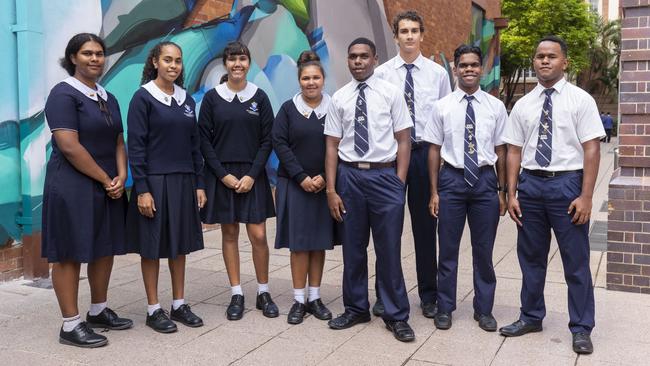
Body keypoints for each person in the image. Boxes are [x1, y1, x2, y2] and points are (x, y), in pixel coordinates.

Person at [500, 35, 604, 355]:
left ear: (564, 62)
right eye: (540, 56)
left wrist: (586, 197)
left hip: (567, 186)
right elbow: (513, 151)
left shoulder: (581, 100)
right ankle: (531, 316)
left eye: (552, 56)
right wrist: (511, 192)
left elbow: (591, 148)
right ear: (534, 61)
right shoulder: (524, 104)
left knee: (576, 261)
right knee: (531, 259)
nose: (545, 61)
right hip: (530, 187)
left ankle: (581, 327)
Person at [42, 33, 132, 348]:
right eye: (87, 53)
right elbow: (69, 146)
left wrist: (121, 175)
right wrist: (105, 179)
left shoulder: (108, 97)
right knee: (69, 253)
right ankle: (70, 324)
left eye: (99, 53)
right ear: (73, 59)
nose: (95, 59)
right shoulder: (63, 94)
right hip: (73, 185)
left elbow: (118, 141)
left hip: (108, 184)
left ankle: (98, 310)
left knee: (103, 247)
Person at [324, 37, 415, 342]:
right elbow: (332, 146)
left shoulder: (391, 93)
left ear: (375, 59)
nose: (358, 61)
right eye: (353, 57)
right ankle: (356, 308)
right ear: (348, 61)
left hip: (384, 177)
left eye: (364, 56)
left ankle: (395, 314)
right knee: (353, 248)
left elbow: (404, 139)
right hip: (350, 179)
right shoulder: (339, 98)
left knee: (389, 249)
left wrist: (398, 183)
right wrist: (331, 190)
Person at [373, 10, 451, 318]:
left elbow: (445, 117)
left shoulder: (437, 74)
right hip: (390, 158)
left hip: (423, 156)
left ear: (421, 35)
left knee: (424, 229)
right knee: (387, 229)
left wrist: (441, 160)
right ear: (395, 36)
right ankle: (384, 292)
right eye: (403, 31)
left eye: (414, 30)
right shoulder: (381, 75)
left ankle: (428, 295)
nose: (408, 36)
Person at [424, 45, 507, 332]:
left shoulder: (495, 107)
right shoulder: (442, 107)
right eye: (463, 65)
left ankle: (484, 310)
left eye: (474, 64)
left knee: (483, 251)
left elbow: (501, 150)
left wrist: (503, 190)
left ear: (480, 69)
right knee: (447, 250)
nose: (469, 69)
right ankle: (445, 307)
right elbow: (433, 150)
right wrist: (434, 191)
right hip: (452, 182)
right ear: (455, 69)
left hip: (485, 182)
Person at [126, 42, 205, 333]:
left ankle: (179, 304)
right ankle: (153, 309)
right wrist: (142, 189)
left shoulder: (188, 101)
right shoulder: (143, 98)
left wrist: (199, 183)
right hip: (155, 183)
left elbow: (194, 146)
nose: (173, 65)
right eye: (167, 60)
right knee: (152, 247)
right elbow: (136, 146)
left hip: (184, 181)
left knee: (179, 246)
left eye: (178, 61)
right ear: (155, 63)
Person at [198, 41, 277, 321]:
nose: (237, 64)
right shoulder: (212, 98)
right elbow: (204, 140)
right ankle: (236, 293)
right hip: (223, 176)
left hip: (252, 175)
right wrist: (224, 175)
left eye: (242, 59)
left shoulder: (260, 97)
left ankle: (263, 291)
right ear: (225, 63)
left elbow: (268, 140)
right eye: (232, 59)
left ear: (249, 62)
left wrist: (252, 175)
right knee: (229, 234)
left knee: (258, 235)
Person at [272, 51, 336, 325]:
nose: (311, 82)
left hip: (324, 186)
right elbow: (279, 143)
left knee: (319, 244)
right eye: (306, 78)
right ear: (299, 81)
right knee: (299, 246)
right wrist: (301, 176)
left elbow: (339, 145)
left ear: (323, 80)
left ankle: (315, 297)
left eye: (316, 78)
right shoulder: (288, 109)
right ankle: (298, 300)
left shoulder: (334, 108)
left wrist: (323, 176)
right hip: (295, 185)